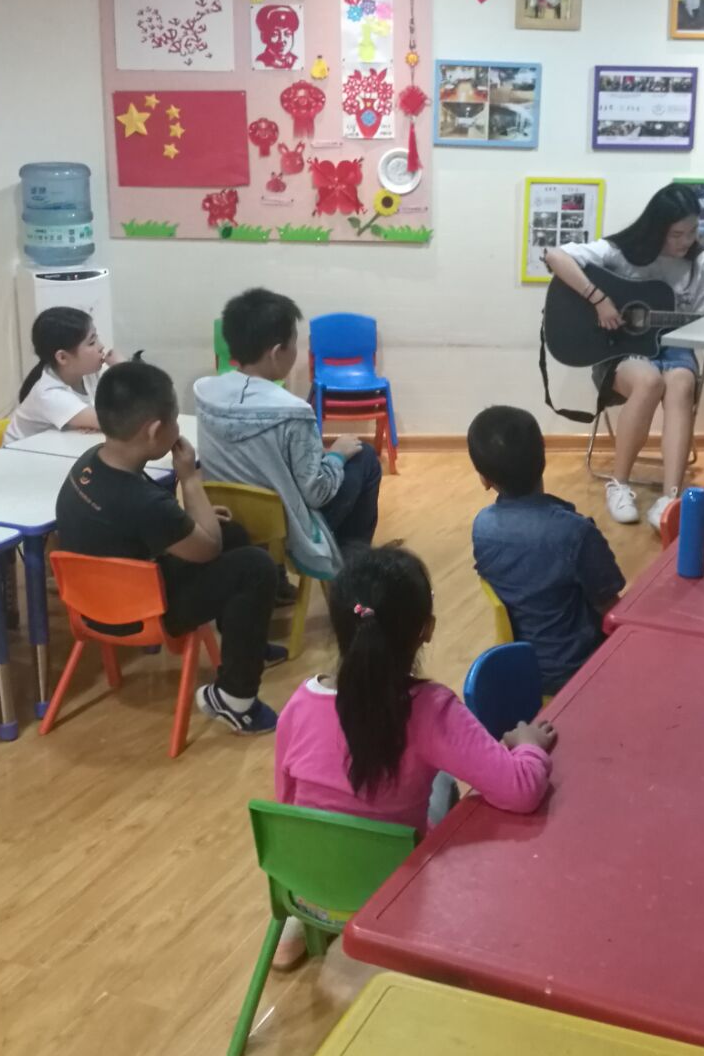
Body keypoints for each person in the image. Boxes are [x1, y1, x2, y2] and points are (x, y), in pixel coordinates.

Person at [271, 546, 558, 965]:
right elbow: (521, 790)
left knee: (328, 813)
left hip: (305, 881)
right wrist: (529, 744)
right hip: (392, 890)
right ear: (427, 629)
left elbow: (286, 803)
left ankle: (307, 918)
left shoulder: (298, 704)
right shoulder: (430, 709)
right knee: (442, 784)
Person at [54, 360, 281, 734]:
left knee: (233, 535)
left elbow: (142, 522)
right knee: (255, 567)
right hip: (140, 613)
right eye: (175, 420)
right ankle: (235, 700)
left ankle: (247, 647)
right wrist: (189, 478)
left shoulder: (90, 462)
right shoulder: (144, 502)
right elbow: (208, 548)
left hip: (90, 603)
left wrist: (189, 521)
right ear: (155, 431)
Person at [544, 183, 704, 531]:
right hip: (620, 349)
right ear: (655, 229)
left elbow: (703, 323)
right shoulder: (620, 253)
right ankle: (619, 484)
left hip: (674, 347)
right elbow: (554, 256)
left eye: (692, 231)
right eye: (676, 234)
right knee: (649, 382)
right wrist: (599, 300)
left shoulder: (701, 263)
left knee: (681, 385)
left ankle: (671, 497)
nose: (686, 241)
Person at [194, 288, 381, 580]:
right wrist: (336, 456)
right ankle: (352, 573)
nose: (296, 351)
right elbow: (317, 493)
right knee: (365, 457)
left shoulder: (205, 392)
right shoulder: (293, 411)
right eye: (294, 343)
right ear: (276, 353)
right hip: (285, 529)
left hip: (227, 517)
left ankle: (284, 576)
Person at [469, 405, 625, 693]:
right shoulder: (575, 533)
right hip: (581, 669)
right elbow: (611, 609)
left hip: (522, 670)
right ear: (543, 451)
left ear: (484, 478)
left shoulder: (482, 528)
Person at [6, 307, 118, 442]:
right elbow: (122, 423)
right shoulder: (49, 395)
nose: (101, 346)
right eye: (92, 343)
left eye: (97, 337)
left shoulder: (90, 371)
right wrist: (124, 367)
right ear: (63, 357)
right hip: (21, 453)